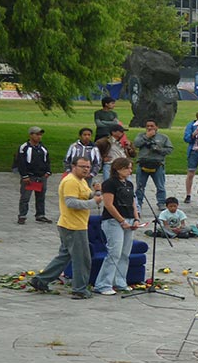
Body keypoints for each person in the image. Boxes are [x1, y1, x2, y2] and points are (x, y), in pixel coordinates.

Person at [28, 158, 103, 299]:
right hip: (72, 225)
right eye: (82, 166)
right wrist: (93, 202)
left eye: (88, 166)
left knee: (64, 256)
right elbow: (71, 202)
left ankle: (40, 280)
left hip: (76, 224)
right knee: (82, 258)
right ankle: (79, 289)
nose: (86, 169)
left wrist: (96, 193)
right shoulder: (71, 181)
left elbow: (86, 195)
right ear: (73, 166)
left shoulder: (81, 181)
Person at [94, 157, 140, 294]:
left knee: (125, 253)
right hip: (114, 221)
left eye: (131, 168)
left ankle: (120, 281)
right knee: (114, 252)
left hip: (130, 218)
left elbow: (133, 202)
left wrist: (136, 218)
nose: (130, 171)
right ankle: (103, 284)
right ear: (118, 169)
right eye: (127, 168)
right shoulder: (109, 184)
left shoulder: (129, 184)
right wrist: (121, 220)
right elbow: (108, 204)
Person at [134, 120, 173, 211]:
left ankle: (161, 203)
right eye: (147, 126)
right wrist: (147, 137)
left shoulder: (163, 137)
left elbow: (170, 149)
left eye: (152, 126)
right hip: (142, 164)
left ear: (157, 127)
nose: (149, 128)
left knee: (160, 186)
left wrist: (158, 149)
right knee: (140, 186)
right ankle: (138, 203)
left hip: (157, 164)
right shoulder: (141, 136)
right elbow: (136, 144)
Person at [17, 126, 52, 225]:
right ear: (31, 135)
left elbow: (47, 160)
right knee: (25, 197)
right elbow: (21, 162)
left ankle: (40, 215)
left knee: (41, 197)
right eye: (37, 134)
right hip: (30, 177)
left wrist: (48, 172)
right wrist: (24, 175)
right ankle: (22, 215)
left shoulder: (42, 148)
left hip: (41, 176)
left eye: (40, 135)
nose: (39, 137)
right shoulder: (24, 147)